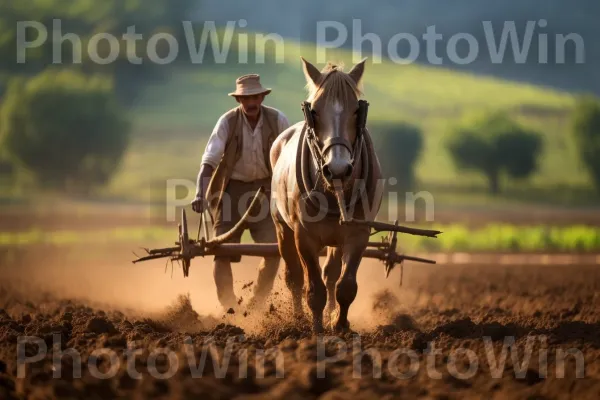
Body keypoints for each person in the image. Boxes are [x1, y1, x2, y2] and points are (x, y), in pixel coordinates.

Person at [191, 74, 290, 311]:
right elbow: (210, 161)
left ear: (262, 97)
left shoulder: (278, 120)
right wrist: (199, 192)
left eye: (255, 96)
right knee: (221, 251)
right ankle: (229, 308)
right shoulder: (226, 122)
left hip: (267, 192)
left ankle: (257, 302)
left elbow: (289, 162)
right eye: (246, 98)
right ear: (239, 100)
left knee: (275, 249)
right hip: (230, 193)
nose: (251, 102)